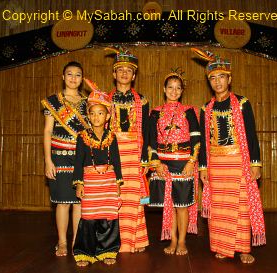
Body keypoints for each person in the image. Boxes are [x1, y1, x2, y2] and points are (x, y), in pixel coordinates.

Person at [191, 48, 266, 264]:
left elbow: (251, 134)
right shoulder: (206, 108)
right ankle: (222, 247)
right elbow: (204, 140)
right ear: (209, 81)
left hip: (238, 162)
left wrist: (255, 163)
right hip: (216, 164)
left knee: (241, 206)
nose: (217, 82)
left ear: (229, 79)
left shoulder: (242, 103)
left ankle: (243, 248)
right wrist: (203, 167)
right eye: (213, 78)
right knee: (220, 207)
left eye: (221, 77)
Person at [148, 69, 200, 255]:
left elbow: (196, 137)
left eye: (178, 88)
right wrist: (156, 163)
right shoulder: (155, 112)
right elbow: (151, 140)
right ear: (164, 89)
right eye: (170, 87)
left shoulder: (189, 111)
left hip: (184, 162)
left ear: (182, 91)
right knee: (168, 206)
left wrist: (191, 162)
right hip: (164, 163)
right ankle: (173, 239)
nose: (174, 91)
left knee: (182, 206)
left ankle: (182, 242)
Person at [72, 78, 123, 266]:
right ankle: (85, 252)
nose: (96, 117)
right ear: (88, 116)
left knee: (108, 218)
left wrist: (118, 183)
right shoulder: (82, 137)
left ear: (107, 116)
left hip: (109, 181)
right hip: (90, 182)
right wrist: (79, 184)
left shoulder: (112, 137)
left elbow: (116, 160)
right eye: (92, 114)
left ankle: (108, 251)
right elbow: (78, 162)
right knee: (89, 218)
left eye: (100, 113)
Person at [41, 61, 90, 256]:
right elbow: (47, 131)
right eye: (69, 74)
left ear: (82, 79)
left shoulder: (88, 102)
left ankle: (76, 241)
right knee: (62, 201)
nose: (73, 78)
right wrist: (47, 160)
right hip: (59, 157)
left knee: (79, 202)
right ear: (63, 77)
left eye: (78, 75)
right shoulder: (53, 102)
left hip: (81, 158)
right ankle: (62, 242)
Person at [105, 46, 149, 253]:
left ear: (134, 75)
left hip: (134, 153)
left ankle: (135, 240)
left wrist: (144, 159)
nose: (124, 73)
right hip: (111, 152)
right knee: (113, 196)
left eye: (128, 70)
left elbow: (147, 132)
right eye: (120, 69)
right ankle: (111, 241)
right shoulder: (104, 99)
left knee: (133, 198)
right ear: (114, 74)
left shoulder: (143, 101)